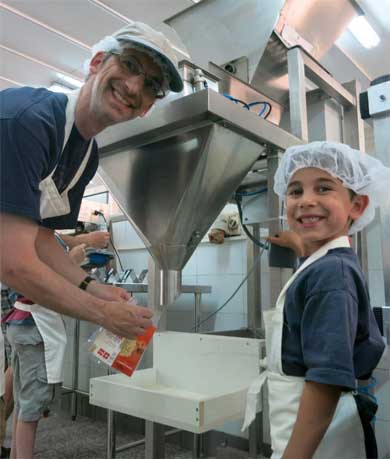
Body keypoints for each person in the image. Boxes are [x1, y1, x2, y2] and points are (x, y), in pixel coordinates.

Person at [0, 21, 183, 459]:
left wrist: (92, 286)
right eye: (131, 65)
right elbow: (15, 264)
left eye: (152, 86)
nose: (135, 85)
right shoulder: (30, 119)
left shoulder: (85, 153)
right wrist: (104, 313)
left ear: (146, 109)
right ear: (98, 62)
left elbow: (43, 238)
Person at [245, 141, 389, 459]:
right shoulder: (326, 264)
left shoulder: (331, 274)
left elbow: (324, 383)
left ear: (357, 206)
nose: (307, 200)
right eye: (295, 192)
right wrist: (299, 247)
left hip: (320, 443)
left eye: (323, 188)